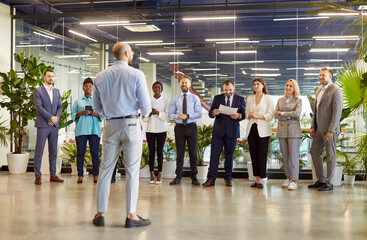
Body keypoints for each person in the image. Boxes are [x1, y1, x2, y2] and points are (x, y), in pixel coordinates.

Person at [92, 42, 152, 228]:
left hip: (110, 125)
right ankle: (131, 216)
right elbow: (145, 105)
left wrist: (109, 113)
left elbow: (96, 108)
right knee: (132, 171)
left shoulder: (100, 76)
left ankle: (100, 214)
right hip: (132, 123)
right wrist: (144, 113)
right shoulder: (136, 74)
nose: (132, 53)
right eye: (131, 51)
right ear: (127, 53)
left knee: (105, 170)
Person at [202, 80, 246, 187]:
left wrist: (239, 116)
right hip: (218, 131)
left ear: (233, 88)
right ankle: (211, 179)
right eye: (226, 90)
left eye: (230, 90)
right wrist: (213, 112)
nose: (228, 92)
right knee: (214, 156)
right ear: (223, 89)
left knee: (229, 156)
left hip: (232, 131)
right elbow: (210, 113)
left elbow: (244, 114)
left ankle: (228, 178)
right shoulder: (217, 98)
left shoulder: (240, 99)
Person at [308, 67, 342, 191]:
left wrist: (331, 130)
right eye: (320, 75)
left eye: (323, 75)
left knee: (330, 155)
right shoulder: (319, 90)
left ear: (330, 77)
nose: (320, 77)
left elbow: (337, 112)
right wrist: (312, 126)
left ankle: (329, 182)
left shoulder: (336, 90)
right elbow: (315, 110)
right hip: (318, 129)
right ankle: (321, 180)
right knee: (314, 152)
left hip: (329, 130)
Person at [169, 75, 202, 186]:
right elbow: (170, 114)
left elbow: (199, 113)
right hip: (179, 128)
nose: (184, 84)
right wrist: (178, 116)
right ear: (180, 84)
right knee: (180, 154)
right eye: (182, 82)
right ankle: (178, 177)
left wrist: (187, 115)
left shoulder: (195, 98)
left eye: (186, 83)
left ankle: (194, 177)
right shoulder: (175, 98)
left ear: (189, 85)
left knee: (193, 153)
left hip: (191, 127)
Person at [33, 69, 64, 185]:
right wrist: (51, 118)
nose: (51, 78)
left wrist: (56, 117)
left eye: (53, 76)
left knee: (53, 151)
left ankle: (53, 175)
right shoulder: (38, 91)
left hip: (54, 125)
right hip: (43, 125)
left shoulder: (56, 91)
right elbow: (39, 108)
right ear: (44, 77)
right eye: (49, 76)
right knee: (39, 151)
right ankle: (38, 176)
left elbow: (60, 107)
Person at [71, 77, 102, 184]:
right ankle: (80, 175)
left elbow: (103, 114)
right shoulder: (78, 101)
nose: (88, 88)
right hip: (81, 131)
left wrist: (96, 114)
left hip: (94, 131)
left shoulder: (97, 101)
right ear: (83, 88)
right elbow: (72, 115)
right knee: (80, 153)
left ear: (92, 88)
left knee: (94, 153)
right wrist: (80, 113)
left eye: (90, 86)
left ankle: (96, 175)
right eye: (86, 86)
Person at [245, 77, 274, 189]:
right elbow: (246, 114)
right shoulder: (250, 98)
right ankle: (256, 179)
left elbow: (270, 115)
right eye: (254, 84)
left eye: (258, 84)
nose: (256, 86)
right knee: (253, 155)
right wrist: (249, 115)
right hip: (252, 128)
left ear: (263, 85)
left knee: (262, 155)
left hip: (263, 130)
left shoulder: (268, 98)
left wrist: (257, 116)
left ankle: (261, 180)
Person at [275, 79, 302, 191]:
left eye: (291, 86)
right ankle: (288, 177)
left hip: (294, 131)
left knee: (293, 156)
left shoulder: (298, 100)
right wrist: (285, 115)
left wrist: (283, 113)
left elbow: (297, 113)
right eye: (287, 85)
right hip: (281, 130)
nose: (288, 88)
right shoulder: (280, 100)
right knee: (285, 156)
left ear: (294, 88)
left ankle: (294, 180)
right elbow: (275, 114)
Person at [143, 81, 169, 184]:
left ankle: (160, 173)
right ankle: (151, 173)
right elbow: (143, 118)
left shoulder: (165, 101)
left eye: (159, 87)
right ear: (152, 88)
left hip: (161, 129)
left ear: (161, 89)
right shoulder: (148, 101)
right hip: (150, 130)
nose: (156, 89)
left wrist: (158, 112)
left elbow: (166, 116)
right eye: (155, 87)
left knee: (160, 151)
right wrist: (149, 113)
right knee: (151, 151)